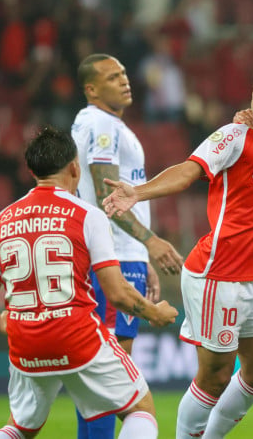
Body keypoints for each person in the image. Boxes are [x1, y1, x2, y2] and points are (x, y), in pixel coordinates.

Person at [103, 60, 253, 438]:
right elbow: (188, 170)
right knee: (215, 376)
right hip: (217, 274)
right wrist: (138, 192)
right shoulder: (234, 136)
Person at [0, 126, 178, 439]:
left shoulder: (1, 220)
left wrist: (7, 326)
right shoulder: (87, 215)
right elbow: (118, 293)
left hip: (25, 344)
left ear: (31, 171)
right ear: (74, 167)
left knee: (19, 429)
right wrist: (155, 313)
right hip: (77, 339)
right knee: (140, 410)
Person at [71, 53, 184, 439]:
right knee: (112, 376)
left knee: (102, 374)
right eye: (111, 77)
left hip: (117, 255)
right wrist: (149, 242)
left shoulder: (93, 123)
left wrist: (140, 254)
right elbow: (109, 194)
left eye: (123, 73)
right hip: (114, 258)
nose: (124, 80)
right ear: (91, 88)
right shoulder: (103, 125)